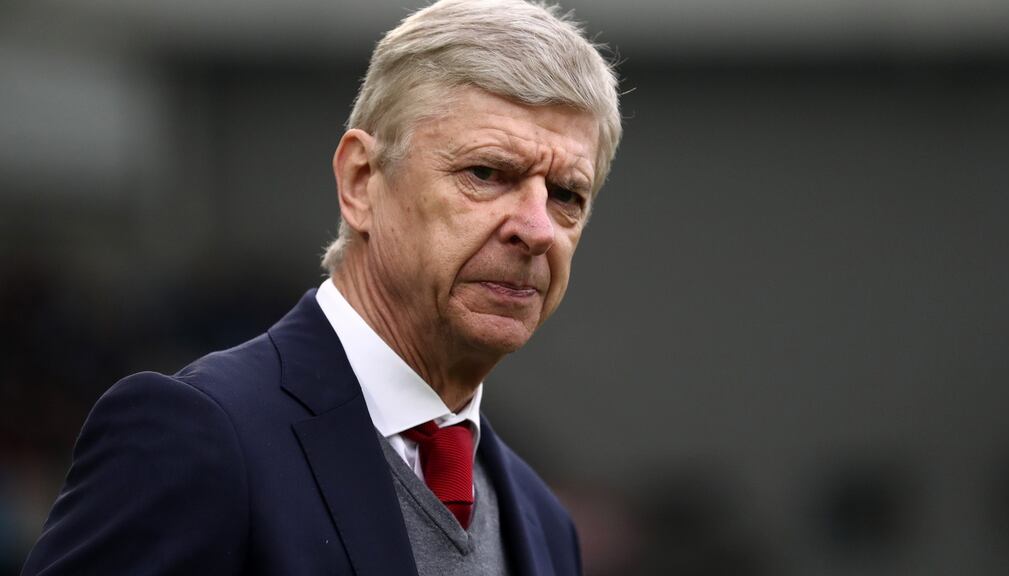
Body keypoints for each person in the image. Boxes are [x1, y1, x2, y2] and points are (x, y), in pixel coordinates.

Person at [21, 0, 621, 574]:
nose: (538, 229)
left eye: (567, 195)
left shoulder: (544, 522)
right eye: (487, 173)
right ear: (361, 182)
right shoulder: (198, 433)